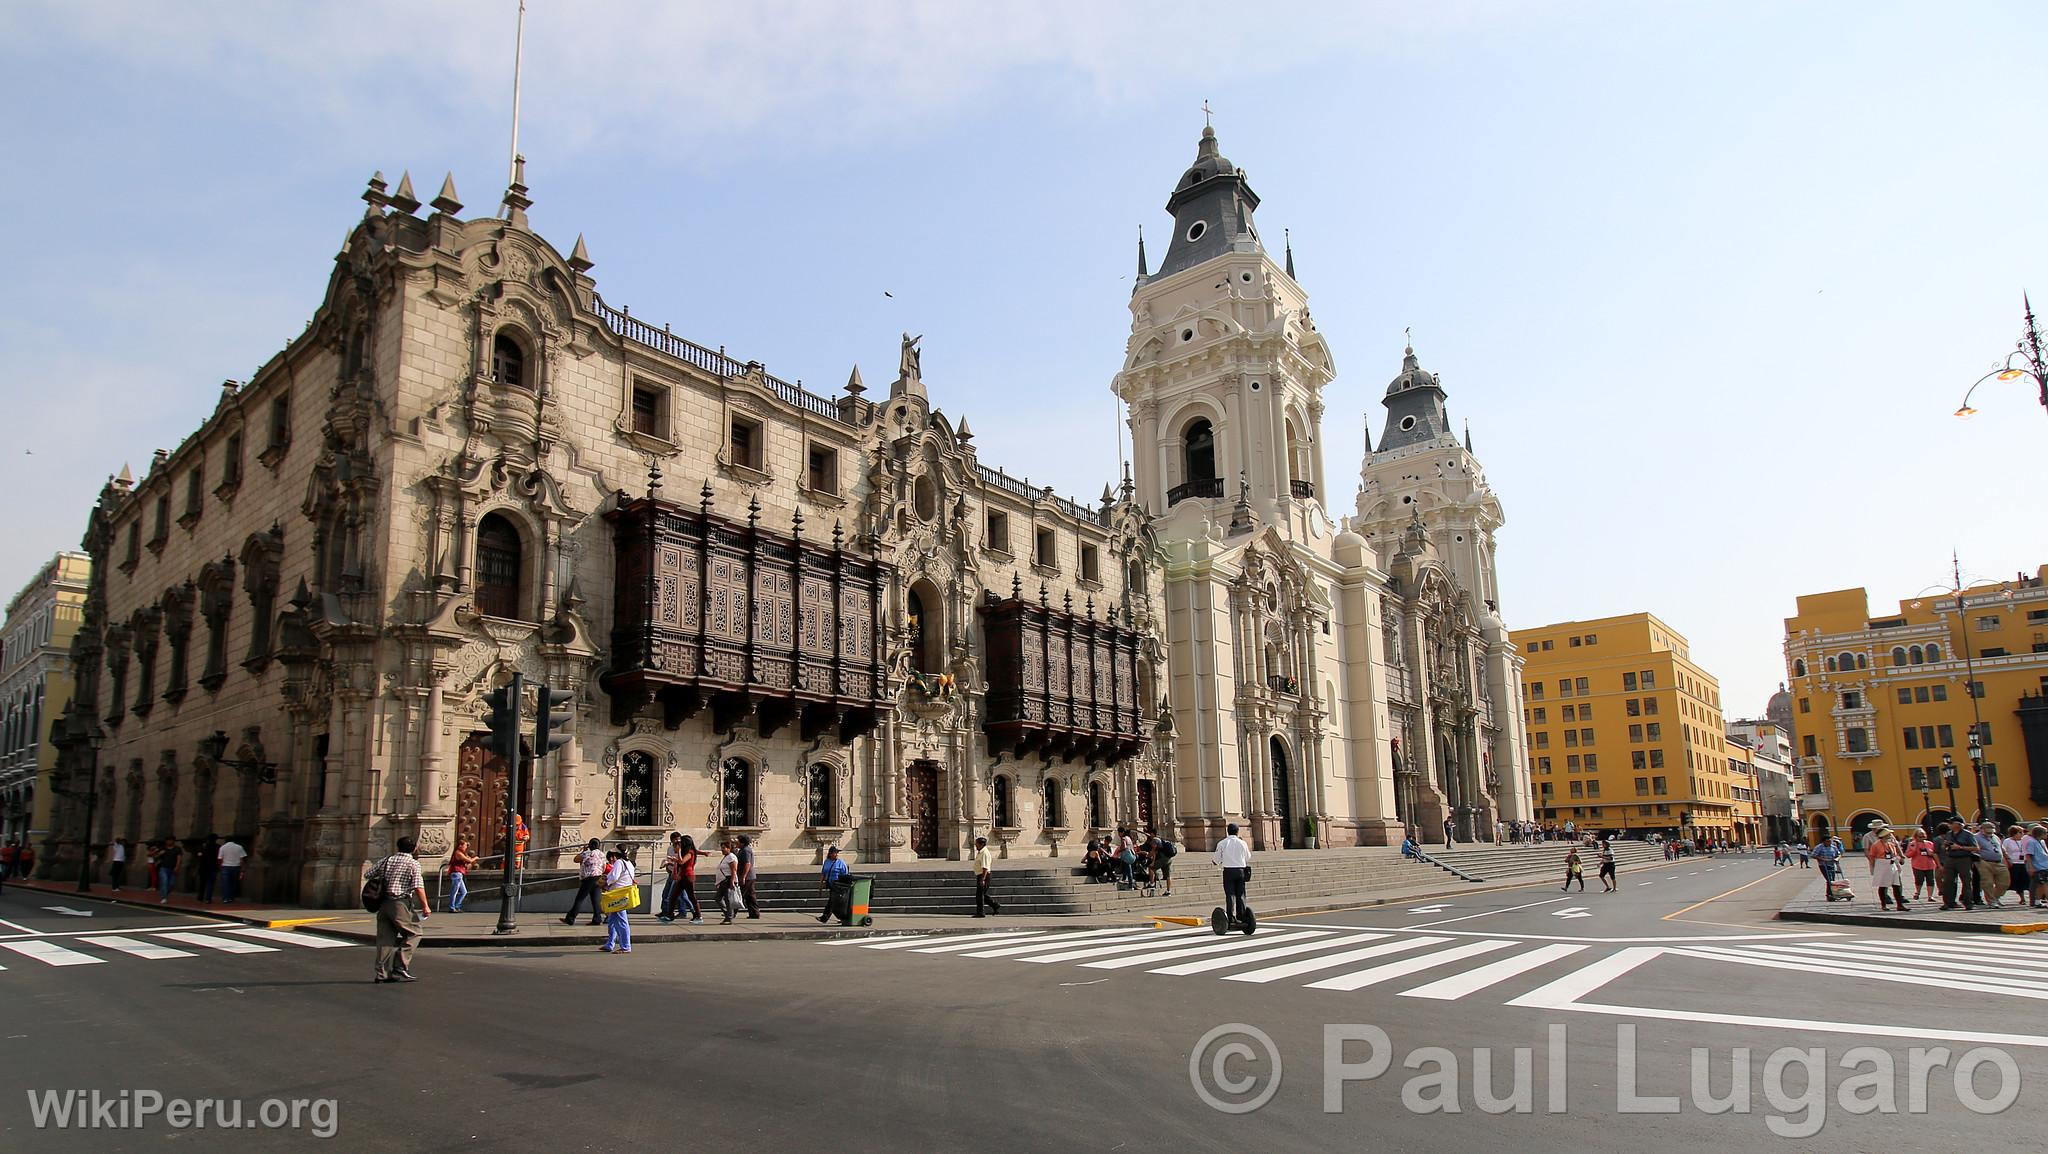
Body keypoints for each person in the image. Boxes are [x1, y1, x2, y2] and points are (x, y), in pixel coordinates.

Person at [370, 834, 430, 982]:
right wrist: (425, 906)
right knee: (414, 933)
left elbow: (369, 873)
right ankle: (400, 967)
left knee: (385, 939)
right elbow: (418, 886)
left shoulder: (387, 860)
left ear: (398, 847)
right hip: (400, 903)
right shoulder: (413, 863)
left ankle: (381, 973)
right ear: (414, 848)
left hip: (383, 904)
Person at [1212, 822, 1251, 924]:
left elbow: (1216, 860)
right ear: (1237, 831)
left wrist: (1216, 862)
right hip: (1241, 871)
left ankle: (1231, 917)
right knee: (1241, 894)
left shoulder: (1222, 843)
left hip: (1229, 871)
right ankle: (1241, 915)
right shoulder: (1243, 843)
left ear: (1227, 831)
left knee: (1230, 895)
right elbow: (1248, 857)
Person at [562, 838, 606, 926]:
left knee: (580, 898)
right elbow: (604, 867)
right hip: (598, 877)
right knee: (595, 900)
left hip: (589, 878)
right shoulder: (602, 854)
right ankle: (597, 918)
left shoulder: (587, 853)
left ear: (590, 845)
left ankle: (570, 918)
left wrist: (583, 851)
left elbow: (575, 859)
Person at [599, 849, 635, 954]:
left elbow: (614, 876)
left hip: (617, 894)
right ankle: (610, 943)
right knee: (612, 920)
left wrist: (606, 883)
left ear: (615, 855)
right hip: (623, 893)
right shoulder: (629, 863)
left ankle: (626, 946)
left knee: (622, 920)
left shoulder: (619, 862)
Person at [660, 832, 698, 924]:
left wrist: (679, 852)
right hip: (682, 876)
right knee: (672, 896)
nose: (679, 843)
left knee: (690, 897)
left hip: (688, 877)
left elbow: (681, 862)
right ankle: (669, 915)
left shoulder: (690, 852)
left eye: (682, 841)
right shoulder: (685, 851)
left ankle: (697, 915)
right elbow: (680, 863)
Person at [1868, 829, 1909, 911]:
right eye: (1889, 834)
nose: (1890, 835)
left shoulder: (1891, 844)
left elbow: (1895, 854)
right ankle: (1883, 905)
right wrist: (1873, 867)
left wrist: (1899, 859)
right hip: (1881, 864)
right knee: (1883, 885)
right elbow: (1872, 856)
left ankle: (1900, 905)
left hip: (1891, 864)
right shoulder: (1876, 845)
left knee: (1896, 885)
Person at [1973, 823, 2009, 907]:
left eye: (1991, 831)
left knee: (2004, 882)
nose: (1990, 833)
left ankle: (1996, 897)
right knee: (1987, 883)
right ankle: (1991, 901)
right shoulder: (1975, 837)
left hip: (1998, 862)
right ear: (1981, 829)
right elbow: (1973, 849)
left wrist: (2007, 858)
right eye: (1987, 831)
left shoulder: (1995, 837)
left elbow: (2001, 848)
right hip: (1984, 862)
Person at [2002, 825, 2033, 908]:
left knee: (2024, 881)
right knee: (2010, 881)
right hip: (2012, 863)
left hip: (2022, 863)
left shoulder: (2023, 841)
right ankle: (1998, 897)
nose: (2022, 834)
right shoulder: (2007, 841)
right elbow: (2004, 852)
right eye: (2020, 832)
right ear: (2014, 833)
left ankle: (2023, 898)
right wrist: (2007, 861)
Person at [817, 845, 851, 923]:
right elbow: (823, 873)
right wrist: (821, 884)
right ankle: (843, 918)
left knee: (832, 901)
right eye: (835, 853)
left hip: (838, 885)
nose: (836, 854)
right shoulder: (827, 862)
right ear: (830, 854)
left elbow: (845, 874)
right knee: (835, 902)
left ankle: (824, 918)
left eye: (836, 853)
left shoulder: (841, 862)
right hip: (830, 883)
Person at [1905, 830, 1938, 903]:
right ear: (1916, 836)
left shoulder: (1930, 843)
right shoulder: (1912, 844)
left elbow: (1935, 854)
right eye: (1920, 836)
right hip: (1917, 865)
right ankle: (1917, 892)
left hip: (1929, 865)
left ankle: (1930, 896)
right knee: (1919, 880)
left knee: (1930, 880)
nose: (1922, 837)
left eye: (1923, 835)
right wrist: (1914, 849)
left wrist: (1931, 853)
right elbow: (1908, 855)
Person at [973, 836, 1001, 917]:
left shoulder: (985, 853)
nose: (976, 846)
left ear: (981, 844)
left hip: (984, 875)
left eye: (977, 844)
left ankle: (980, 912)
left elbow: (985, 867)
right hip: (981, 875)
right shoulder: (981, 852)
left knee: (980, 895)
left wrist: (983, 879)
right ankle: (995, 905)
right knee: (982, 894)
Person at [714, 838, 741, 924]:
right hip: (723, 881)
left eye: (724, 848)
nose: (722, 849)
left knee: (727, 899)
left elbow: (734, 870)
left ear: (729, 848)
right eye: (721, 848)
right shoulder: (726, 857)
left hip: (728, 880)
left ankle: (729, 917)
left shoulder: (731, 857)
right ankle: (728, 914)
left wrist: (732, 881)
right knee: (718, 898)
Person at [446, 839, 477, 913]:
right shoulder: (458, 853)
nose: (466, 847)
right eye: (465, 845)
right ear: (460, 845)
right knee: (454, 891)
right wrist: (475, 858)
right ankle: (452, 907)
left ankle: (457, 906)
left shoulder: (461, 853)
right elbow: (469, 860)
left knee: (464, 892)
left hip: (459, 874)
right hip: (456, 873)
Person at [216, 836, 248, 903]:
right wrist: (243, 868)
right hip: (236, 866)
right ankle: (231, 897)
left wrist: (220, 866)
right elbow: (242, 859)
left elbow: (219, 858)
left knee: (226, 883)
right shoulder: (239, 847)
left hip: (225, 866)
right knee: (234, 883)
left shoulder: (222, 847)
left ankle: (225, 898)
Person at [737, 835, 761, 919]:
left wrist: (743, 876)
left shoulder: (745, 851)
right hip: (750, 876)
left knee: (740, 895)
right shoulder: (743, 850)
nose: (737, 843)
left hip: (748, 877)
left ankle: (731, 912)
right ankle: (754, 913)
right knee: (750, 896)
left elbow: (747, 864)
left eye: (738, 841)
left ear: (742, 843)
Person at [195, 834, 221, 903]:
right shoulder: (218, 847)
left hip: (204, 867)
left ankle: (200, 897)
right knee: (210, 884)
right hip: (213, 867)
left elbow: (199, 856)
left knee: (202, 883)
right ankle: (208, 898)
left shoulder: (203, 846)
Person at [156, 838, 183, 903]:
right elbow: (155, 857)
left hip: (173, 869)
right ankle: (164, 898)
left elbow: (179, 859)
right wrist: (160, 854)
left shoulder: (177, 849)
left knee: (171, 884)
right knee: (164, 882)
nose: (169, 841)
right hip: (163, 868)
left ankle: (164, 893)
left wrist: (177, 867)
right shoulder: (163, 848)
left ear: (173, 841)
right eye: (167, 840)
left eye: (170, 840)